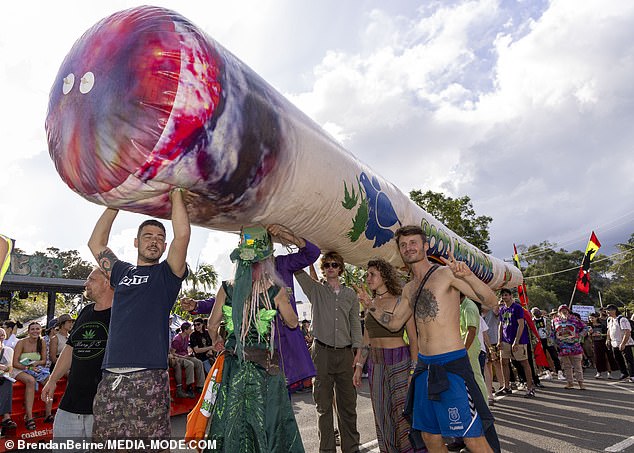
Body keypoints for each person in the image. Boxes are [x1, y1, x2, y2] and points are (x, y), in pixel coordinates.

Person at [361, 225, 501, 453]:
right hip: (424, 368)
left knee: (471, 436)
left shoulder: (446, 274)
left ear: (425, 246)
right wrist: (372, 306)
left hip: (452, 365)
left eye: (414, 242)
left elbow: (492, 301)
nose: (409, 248)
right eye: (403, 245)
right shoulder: (409, 289)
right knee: (429, 436)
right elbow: (395, 323)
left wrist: (469, 276)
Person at [87, 187, 190, 443]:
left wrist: (176, 193)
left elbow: (183, 236)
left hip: (149, 376)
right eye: (147, 236)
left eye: (159, 237)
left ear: (164, 246)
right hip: (111, 376)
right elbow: (95, 243)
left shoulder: (168, 274)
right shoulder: (122, 272)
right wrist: (116, 203)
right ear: (136, 241)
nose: (153, 241)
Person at [180, 223, 319, 391]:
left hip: (282, 346)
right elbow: (229, 297)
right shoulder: (239, 276)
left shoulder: (283, 264)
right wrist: (197, 305)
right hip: (252, 348)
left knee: (278, 398)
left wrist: (288, 236)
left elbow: (313, 253)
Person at [204, 225, 304, 452]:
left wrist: (218, 340)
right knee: (268, 420)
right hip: (264, 368)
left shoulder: (227, 288)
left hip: (234, 367)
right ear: (268, 259)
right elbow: (293, 323)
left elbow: (212, 324)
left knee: (231, 421)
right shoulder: (275, 290)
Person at [295, 251, 362, 453]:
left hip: (345, 355)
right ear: (323, 270)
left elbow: (355, 326)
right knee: (323, 408)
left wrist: (358, 357)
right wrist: (300, 248)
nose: (330, 268)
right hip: (320, 353)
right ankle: (327, 450)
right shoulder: (315, 290)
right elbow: (298, 271)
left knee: (348, 407)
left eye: (334, 265)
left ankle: (351, 448)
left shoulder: (350, 295)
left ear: (340, 268)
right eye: (326, 265)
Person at [41, 267, 113, 447]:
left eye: (91, 279)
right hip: (70, 403)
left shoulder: (122, 314)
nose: (85, 283)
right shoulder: (85, 312)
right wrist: (52, 380)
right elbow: (70, 348)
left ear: (107, 282)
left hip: (104, 407)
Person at [352, 258, 418, 453]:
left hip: (400, 361)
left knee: (403, 416)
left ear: (385, 276)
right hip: (376, 363)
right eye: (367, 274)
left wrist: (413, 370)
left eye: (372, 274)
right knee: (382, 416)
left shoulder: (400, 300)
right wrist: (358, 366)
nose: (368, 278)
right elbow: (366, 340)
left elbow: (413, 338)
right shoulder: (369, 304)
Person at [11, 322, 53, 429]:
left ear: (40, 330)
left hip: (36, 368)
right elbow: (15, 363)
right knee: (30, 381)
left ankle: (48, 414)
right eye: (32, 329)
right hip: (19, 369)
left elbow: (43, 360)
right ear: (28, 331)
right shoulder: (21, 342)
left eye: (37, 329)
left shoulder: (42, 342)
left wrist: (36, 364)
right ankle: (29, 417)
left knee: (50, 380)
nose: (35, 331)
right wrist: (28, 368)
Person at [496, 288, 535, 398]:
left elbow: (521, 324)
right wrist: (500, 340)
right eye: (502, 295)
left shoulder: (517, 308)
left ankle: (530, 387)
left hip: (519, 340)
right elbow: (501, 325)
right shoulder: (502, 309)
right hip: (505, 340)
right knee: (503, 361)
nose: (504, 297)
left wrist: (516, 341)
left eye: (506, 295)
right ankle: (506, 386)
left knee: (524, 363)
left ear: (511, 296)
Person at [551, 305, 589, 389]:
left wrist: (580, 335)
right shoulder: (555, 321)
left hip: (575, 347)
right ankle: (570, 383)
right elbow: (552, 333)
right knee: (567, 367)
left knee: (578, 366)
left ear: (568, 311)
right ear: (559, 312)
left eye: (565, 310)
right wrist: (555, 343)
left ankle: (581, 383)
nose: (564, 311)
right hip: (563, 348)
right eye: (562, 310)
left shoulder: (574, 320)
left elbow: (585, 328)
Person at [531, 307, 564, 380]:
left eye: (538, 312)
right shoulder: (532, 322)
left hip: (549, 340)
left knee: (554, 356)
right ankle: (548, 372)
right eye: (534, 313)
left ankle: (559, 372)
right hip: (539, 341)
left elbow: (553, 329)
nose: (537, 313)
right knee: (543, 357)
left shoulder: (547, 319)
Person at [171, 322, 206, 390]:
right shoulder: (177, 339)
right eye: (190, 328)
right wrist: (182, 357)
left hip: (185, 355)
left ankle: (200, 385)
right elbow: (172, 353)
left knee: (199, 362)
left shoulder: (187, 336)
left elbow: (187, 347)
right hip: (178, 357)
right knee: (190, 364)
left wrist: (189, 353)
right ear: (185, 330)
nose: (191, 330)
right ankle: (189, 386)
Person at [605, 304, 634, 382]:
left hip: (625, 343)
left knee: (628, 359)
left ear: (614, 310)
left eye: (609, 310)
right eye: (607, 310)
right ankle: (624, 373)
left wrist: (623, 343)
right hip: (614, 343)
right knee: (618, 358)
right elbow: (609, 330)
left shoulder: (622, 319)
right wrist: (608, 340)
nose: (607, 312)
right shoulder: (609, 319)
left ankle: (632, 375)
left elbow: (627, 332)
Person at [0, 328, 17, 433]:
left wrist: (4, 368)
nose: (1, 336)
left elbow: (10, 368)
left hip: (3, 376)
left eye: (2, 334)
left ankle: (6, 417)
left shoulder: (9, 350)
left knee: (7, 381)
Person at [587, 313, 613, 379]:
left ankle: (609, 373)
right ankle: (599, 372)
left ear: (596, 318)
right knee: (597, 358)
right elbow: (588, 336)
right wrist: (590, 334)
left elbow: (607, 334)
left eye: (592, 318)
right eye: (590, 318)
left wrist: (600, 334)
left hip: (603, 342)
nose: (591, 319)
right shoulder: (589, 326)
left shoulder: (602, 325)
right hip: (595, 343)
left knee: (607, 357)